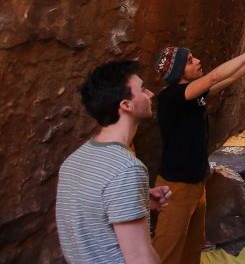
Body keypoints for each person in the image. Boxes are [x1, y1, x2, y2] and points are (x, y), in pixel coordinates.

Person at [152, 35, 245, 264]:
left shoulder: (193, 95)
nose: (197, 61)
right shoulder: (172, 97)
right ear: (178, 71)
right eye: (190, 60)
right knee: (166, 251)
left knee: (192, 246)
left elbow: (226, 80)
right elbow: (215, 76)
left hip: (196, 183)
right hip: (175, 187)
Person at [56, 60, 171, 264]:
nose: (151, 94)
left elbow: (92, 220)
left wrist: (139, 201)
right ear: (125, 105)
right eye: (143, 89)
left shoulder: (73, 162)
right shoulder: (126, 169)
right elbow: (139, 257)